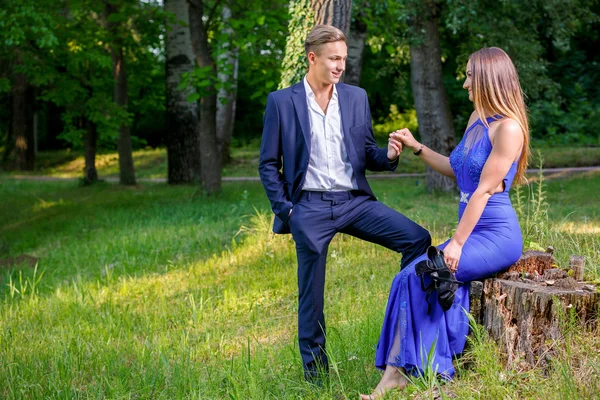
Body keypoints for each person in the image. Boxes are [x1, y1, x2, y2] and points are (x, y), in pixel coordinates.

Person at [258, 24, 431, 382]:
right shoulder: (282, 102)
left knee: (417, 239)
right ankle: (315, 376)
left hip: (354, 201)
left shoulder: (355, 97)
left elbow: (366, 152)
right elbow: (267, 164)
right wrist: (288, 212)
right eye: (334, 59)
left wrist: (389, 154)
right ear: (312, 58)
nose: (340, 66)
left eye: (344, 59)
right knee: (312, 296)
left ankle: (405, 344)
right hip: (309, 208)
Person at [360, 46, 530, 399]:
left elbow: (483, 191)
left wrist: (456, 242)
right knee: (412, 275)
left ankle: (408, 373)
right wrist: (416, 146)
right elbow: (458, 171)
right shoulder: (476, 121)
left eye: (470, 75)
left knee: (425, 274)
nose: (465, 82)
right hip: (471, 229)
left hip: (495, 235)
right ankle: (405, 371)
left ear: (488, 78)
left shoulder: (509, 129)